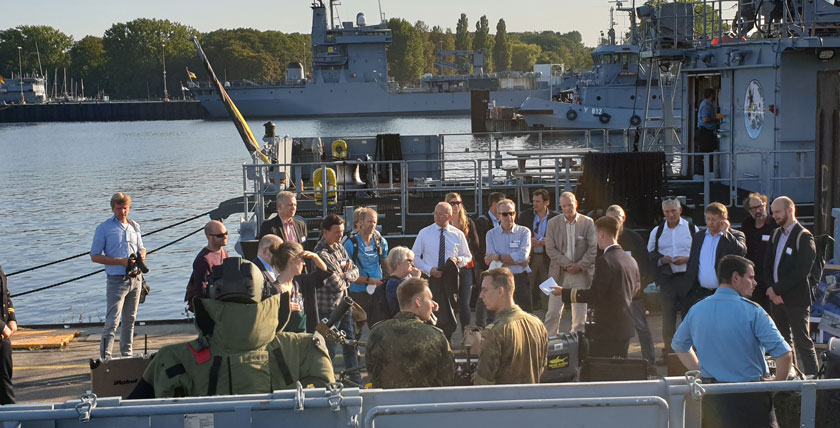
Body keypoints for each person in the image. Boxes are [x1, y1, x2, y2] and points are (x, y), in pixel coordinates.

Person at [130, 258, 335, 398]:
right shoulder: (305, 347)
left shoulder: (174, 358)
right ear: (265, 296)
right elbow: (329, 406)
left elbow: (133, 411)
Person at [672, 255, 792, 428]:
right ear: (736, 277)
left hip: (712, 398)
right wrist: (775, 386)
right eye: (750, 277)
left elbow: (679, 345)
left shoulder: (697, 309)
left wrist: (700, 369)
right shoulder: (754, 312)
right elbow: (785, 355)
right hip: (751, 399)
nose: (755, 282)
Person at [551, 216, 640, 358]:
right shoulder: (630, 260)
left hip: (607, 329)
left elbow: (595, 295)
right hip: (625, 327)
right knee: (620, 371)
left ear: (601, 234)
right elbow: (635, 290)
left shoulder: (605, 261)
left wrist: (564, 293)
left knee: (601, 371)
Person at [366, 278, 455, 388]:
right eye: (430, 299)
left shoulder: (377, 333)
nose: (433, 304)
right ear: (418, 302)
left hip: (386, 403)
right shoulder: (435, 336)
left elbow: (372, 372)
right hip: (426, 402)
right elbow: (448, 378)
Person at [766, 196, 819, 376]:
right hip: (776, 298)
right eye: (773, 212)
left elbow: (802, 271)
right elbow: (767, 264)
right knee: (782, 343)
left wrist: (777, 289)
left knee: (803, 342)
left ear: (790, 210)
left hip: (796, 300)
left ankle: (814, 381)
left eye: (778, 212)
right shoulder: (775, 234)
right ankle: (791, 376)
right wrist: (772, 290)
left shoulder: (804, 237)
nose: (774, 216)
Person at [91, 192, 146, 360]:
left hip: (136, 279)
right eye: (119, 208)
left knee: (130, 319)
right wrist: (120, 262)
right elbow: (95, 256)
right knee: (113, 321)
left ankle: (127, 354)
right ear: (113, 209)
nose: (123, 212)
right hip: (116, 280)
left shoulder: (134, 226)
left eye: (125, 208)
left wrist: (142, 255)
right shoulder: (104, 228)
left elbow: (142, 247)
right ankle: (105, 356)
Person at [647, 198, 699, 364]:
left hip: (686, 279)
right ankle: (669, 354)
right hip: (668, 279)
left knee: (688, 317)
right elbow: (651, 254)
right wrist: (662, 260)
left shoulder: (692, 228)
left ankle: (691, 355)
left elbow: (699, 253)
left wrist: (686, 259)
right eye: (667, 212)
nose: (670, 214)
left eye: (673, 211)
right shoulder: (657, 231)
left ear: (680, 211)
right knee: (667, 319)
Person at [475, 268, 547, 385]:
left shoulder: (495, 331)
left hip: (503, 401)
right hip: (531, 399)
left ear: (500, 291)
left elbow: (483, 381)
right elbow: (542, 367)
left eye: (485, 290)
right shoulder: (537, 324)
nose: (481, 296)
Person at [411, 202, 472, 339]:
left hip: (449, 280)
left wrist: (457, 261)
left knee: (449, 314)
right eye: (435, 213)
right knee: (430, 313)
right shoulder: (424, 233)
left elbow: (467, 256)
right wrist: (429, 269)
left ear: (450, 217)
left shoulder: (458, 234)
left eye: (441, 214)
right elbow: (414, 256)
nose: (437, 217)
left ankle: (447, 342)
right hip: (431, 279)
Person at [605, 205, 655, 370]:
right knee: (617, 332)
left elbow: (645, 267)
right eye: (610, 219)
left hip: (633, 295)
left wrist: (638, 288)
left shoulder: (635, 238)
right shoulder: (603, 239)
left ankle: (650, 364)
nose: (614, 222)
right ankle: (619, 364)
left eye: (616, 218)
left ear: (623, 219)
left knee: (642, 329)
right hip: (612, 296)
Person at [313, 214, 361, 383]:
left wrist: (344, 275)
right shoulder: (320, 254)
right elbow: (335, 285)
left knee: (350, 344)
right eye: (336, 232)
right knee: (330, 348)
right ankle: (327, 381)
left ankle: (355, 379)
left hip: (345, 306)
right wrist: (345, 276)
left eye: (342, 232)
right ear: (325, 232)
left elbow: (355, 271)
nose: (340, 235)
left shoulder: (339, 247)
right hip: (329, 310)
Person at [544, 192, 596, 335]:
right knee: (553, 313)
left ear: (576, 203)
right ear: (560, 206)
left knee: (579, 316)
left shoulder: (588, 222)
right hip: (559, 273)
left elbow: (593, 248)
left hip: (580, 274)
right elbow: (550, 248)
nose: (567, 208)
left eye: (570, 205)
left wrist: (579, 265)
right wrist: (567, 264)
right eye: (564, 206)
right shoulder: (552, 223)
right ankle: (549, 344)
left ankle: (577, 346)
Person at [684, 202, 747, 308]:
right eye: (708, 219)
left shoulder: (735, 235)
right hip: (700, 292)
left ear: (724, 220)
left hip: (724, 292)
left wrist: (726, 233)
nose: (710, 222)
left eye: (714, 219)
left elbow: (740, 252)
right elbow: (693, 262)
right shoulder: (698, 236)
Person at [343, 207, 389, 333]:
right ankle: (354, 352)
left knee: (379, 327)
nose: (373, 225)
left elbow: (385, 264)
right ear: (360, 223)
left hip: (377, 291)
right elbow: (348, 274)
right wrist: (370, 280)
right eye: (370, 221)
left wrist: (388, 281)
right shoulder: (350, 244)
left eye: (375, 222)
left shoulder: (380, 242)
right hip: (358, 292)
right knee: (355, 329)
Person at [269, 241, 330, 333]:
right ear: (291, 260)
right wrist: (282, 308)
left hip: (304, 340)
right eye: (301, 259)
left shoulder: (300, 281)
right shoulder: (273, 290)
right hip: (286, 342)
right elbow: (267, 317)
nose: (304, 263)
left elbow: (322, 273)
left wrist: (315, 257)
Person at [485, 199, 533, 312]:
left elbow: (523, 257)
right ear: (498, 215)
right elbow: (490, 260)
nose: (509, 217)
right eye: (505, 214)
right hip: (499, 280)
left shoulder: (524, 232)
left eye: (511, 213)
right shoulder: (491, 234)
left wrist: (499, 257)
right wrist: (518, 261)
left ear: (515, 214)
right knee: (498, 315)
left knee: (525, 314)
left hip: (519, 278)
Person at [517, 189, 559, 310]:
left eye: (538, 201)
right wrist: (529, 240)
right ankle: (526, 313)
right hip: (531, 257)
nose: (535, 204)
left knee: (548, 286)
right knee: (527, 286)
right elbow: (518, 234)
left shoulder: (555, 217)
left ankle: (548, 312)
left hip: (548, 257)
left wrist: (550, 241)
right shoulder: (525, 216)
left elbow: (561, 237)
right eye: (534, 201)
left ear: (546, 203)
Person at [446, 192, 479, 331]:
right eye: (453, 203)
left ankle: (466, 332)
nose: (456, 206)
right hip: (449, 267)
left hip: (466, 266)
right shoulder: (443, 223)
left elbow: (476, 244)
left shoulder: (468, 222)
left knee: (465, 302)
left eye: (458, 203)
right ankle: (448, 332)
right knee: (449, 302)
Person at [474, 192, 507, 327]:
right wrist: (485, 264)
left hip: (501, 266)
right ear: (495, 205)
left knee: (497, 295)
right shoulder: (482, 221)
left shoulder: (503, 221)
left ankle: (492, 324)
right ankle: (480, 325)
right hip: (486, 267)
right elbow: (479, 245)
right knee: (483, 296)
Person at [739, 192, 776, 312]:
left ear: (765, 205)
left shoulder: (774, 225)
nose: (758, 210)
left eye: (760, 206)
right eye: (753, 208)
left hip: (770, 276)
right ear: (749, 210)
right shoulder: (746, 224)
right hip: (752, 277)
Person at [185, 220, 229, 306]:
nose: (225, 237)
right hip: (208, 304)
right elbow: (200, 292)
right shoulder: (203, 260)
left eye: (226, 233)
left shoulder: (223, 252)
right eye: (220, 235)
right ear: (209, 237)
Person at [384, 247, 421, 318]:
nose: (413, 264)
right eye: (409, 261)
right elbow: (410, 300)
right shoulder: (393, 283)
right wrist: (416, 279)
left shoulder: (406, 278)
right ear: (398, 262)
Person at [0, 265, 17, 404]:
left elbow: (6, 294)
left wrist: (12, 318)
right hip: (2, 331)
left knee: (5, 379)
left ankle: (10, 419)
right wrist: (1, 326)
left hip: (3, 339)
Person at [694, 88, 720, 174]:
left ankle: (707, 172)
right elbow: (705, 119)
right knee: (705, 152)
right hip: (705, 132)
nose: (715, 96)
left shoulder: (708, 104)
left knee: (707, 151)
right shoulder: (706, 105)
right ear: (711, 95)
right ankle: (703, 173)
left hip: (706, 131)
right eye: (713, 94)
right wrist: (716, 118)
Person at [253, 234, 283, 300]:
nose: (282, 254)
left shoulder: (278, 268)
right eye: (279, 250)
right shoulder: (254, 270)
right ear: (266, 251)